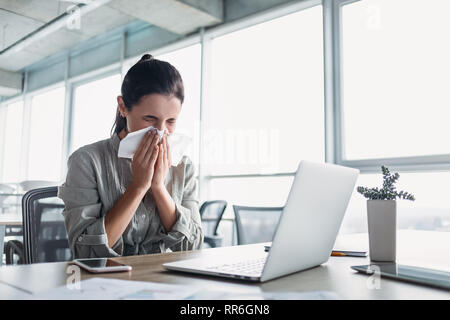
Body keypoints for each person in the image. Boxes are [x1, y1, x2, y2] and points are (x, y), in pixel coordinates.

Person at [58, 54, 203, 258]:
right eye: (150, 119)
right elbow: (86, 252)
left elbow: (193, 247)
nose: (161, 132)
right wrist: (139, 186)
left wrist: (158, 188)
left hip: (164, 281)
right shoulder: (87, 161)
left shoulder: (183, 166)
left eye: (170, 121)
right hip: (104, 283)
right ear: (123, 106)